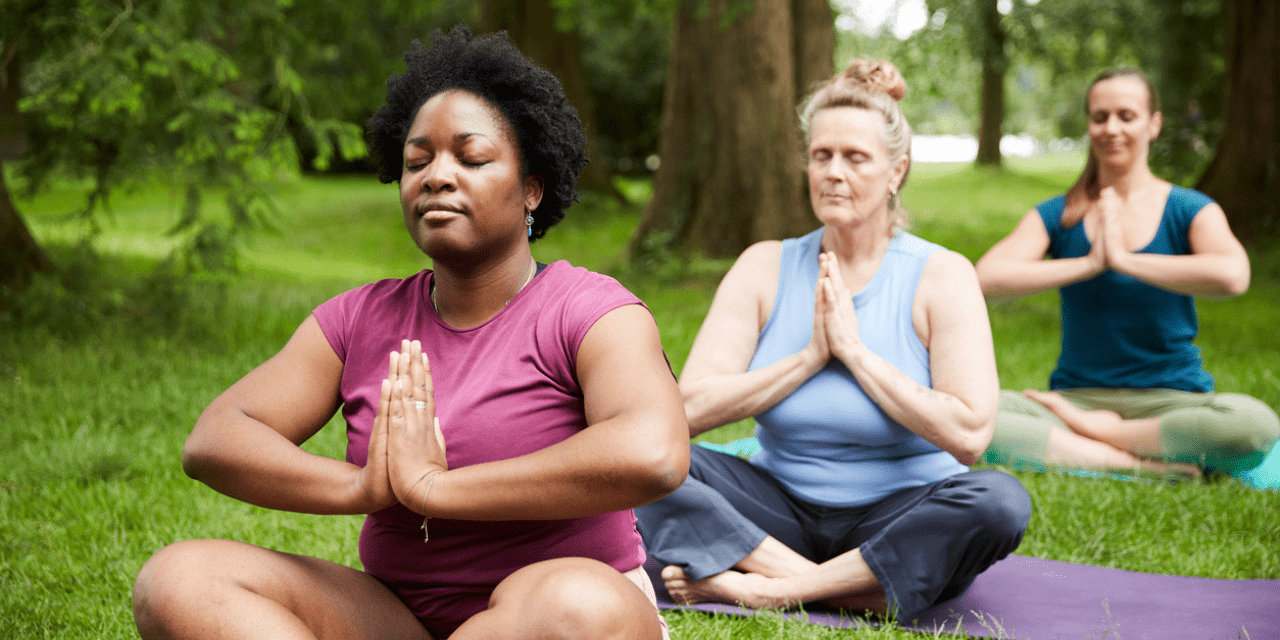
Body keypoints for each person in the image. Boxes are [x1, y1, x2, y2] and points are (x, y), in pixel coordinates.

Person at [131, 27, 688, 640]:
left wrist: (436, 489)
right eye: (416, 162)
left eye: (470, 159)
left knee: (577, 602)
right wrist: (359, 487)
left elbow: (653, 453)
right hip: (399, 618)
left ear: (532, 188)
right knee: (181, 580)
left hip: (558, 618)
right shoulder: (358, 320)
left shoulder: (590, 310)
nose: (436, 177)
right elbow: (216, 438)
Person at [634, 60, 1031, 624]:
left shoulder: (942, 276)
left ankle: (769, 589)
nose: (833, 173)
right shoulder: (764, 266)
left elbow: (969, 435)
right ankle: (845, 586)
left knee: (998, 503)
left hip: (897, 515)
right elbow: (684, 412)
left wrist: (856, 355)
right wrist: (808, 359)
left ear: (896, 171)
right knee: (642, 459)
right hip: (776, 509)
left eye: (855, 157)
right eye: (822, 156)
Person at [974, 67, 1279, 479]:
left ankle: (1101, 439)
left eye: (1126, 116)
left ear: (1154, 124)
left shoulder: (1188, 209)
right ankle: (1137, 464)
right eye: (1100, 117)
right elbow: (986, 278)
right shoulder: (1059, 214)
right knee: (968, 413)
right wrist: (1088, 264)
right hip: (1075, 400)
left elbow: (1233, 275)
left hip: (1172, 404)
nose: (1111, 128)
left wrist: (1124, 260)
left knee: (1254, 426)